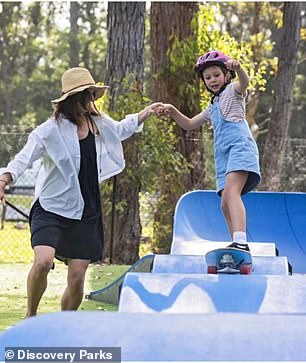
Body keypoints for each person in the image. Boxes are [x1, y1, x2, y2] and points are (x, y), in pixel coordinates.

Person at [0, 67, 161, 317]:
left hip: (86, 210)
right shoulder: (50, 130)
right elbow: (24, 158)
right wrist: (4, 179)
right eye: (85, 95)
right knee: (43, 262)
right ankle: (30, 316)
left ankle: (65, 324)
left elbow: (120, 129)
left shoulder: (98, 123)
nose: (90, 101)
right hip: (51, 207)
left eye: (91, 95)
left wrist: (145, 113)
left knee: (76, 279)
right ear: (71, 100)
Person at [156, 50, 261, 248]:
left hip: (240, 149)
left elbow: (245, 83)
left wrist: (239, 69)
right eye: (207, 77)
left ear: (226, 75)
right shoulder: (211, 107)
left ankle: (241, 242)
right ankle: (236, 245)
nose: (212, 80)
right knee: (224, 204)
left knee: (231, 194)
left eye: (216, 75)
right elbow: (188, 124)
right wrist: (171, 109)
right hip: (224, 158)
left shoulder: (234, 92)